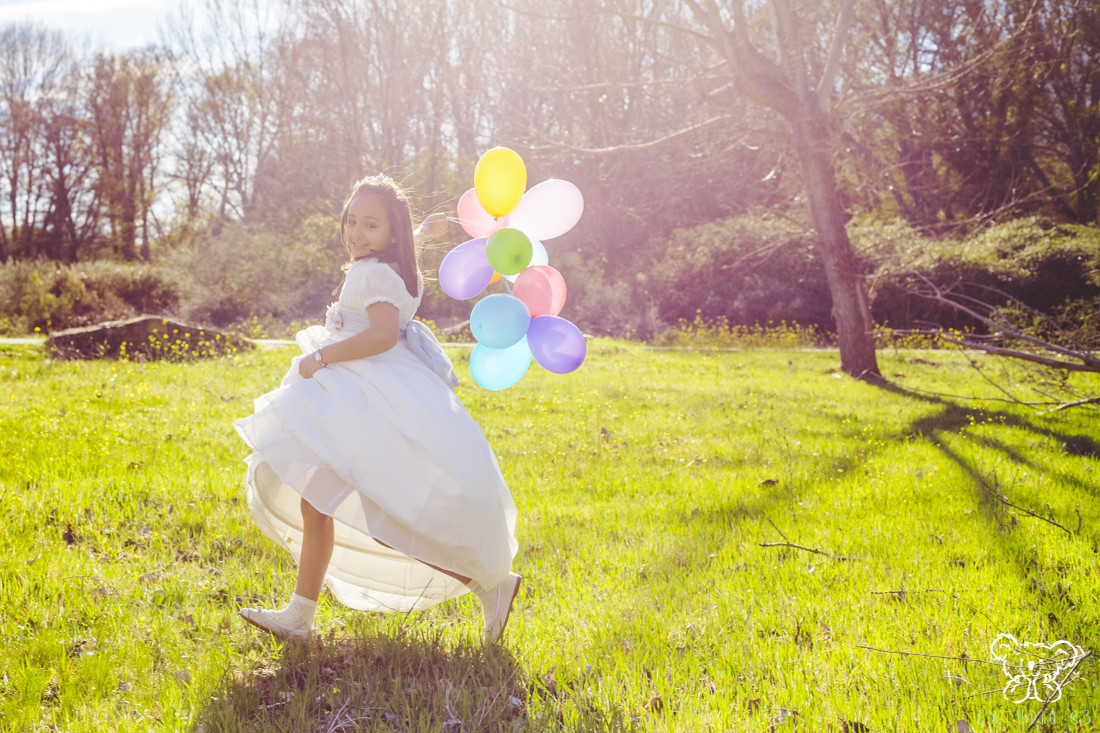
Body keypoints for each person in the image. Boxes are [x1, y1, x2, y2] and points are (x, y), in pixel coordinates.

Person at [234, 174, 521, 643]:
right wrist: (425, 233)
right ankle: (300, 616)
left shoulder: (372, 273)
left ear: (391, 233)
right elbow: (395, 277)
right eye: (351, 221)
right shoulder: (395, 269)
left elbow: (383, 333)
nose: (356, 233)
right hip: (373, 388)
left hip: (361, 393)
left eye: (370, 225)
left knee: (373, 509)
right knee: (319, 501)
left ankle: (488, 586)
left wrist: (320, 357)